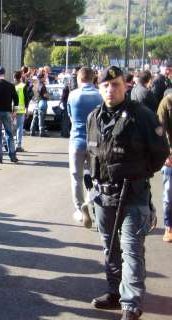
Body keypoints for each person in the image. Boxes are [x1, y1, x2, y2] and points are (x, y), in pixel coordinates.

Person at [86, 66, 168, 320]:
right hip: (103, 195)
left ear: (126, 86)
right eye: (106, 86)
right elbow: (91, 155)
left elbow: (160, 153)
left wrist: (138, 175)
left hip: (133, 194)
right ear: (99, 89)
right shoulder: (94, 117)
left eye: (116, 85)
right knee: (109, 247)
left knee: (131, 249)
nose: (111, 89)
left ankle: (131, 304)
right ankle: (113, 292)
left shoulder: (142, 116)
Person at [67, 67, 103, 229]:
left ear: (79, 79)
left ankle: (80, 208)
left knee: (76, 177)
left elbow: (70, 116)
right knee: (96, 177)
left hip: (77, 140)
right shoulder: (100, 95)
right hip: (96, 142)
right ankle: (93, 204)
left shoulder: (73, 95)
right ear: (93, 78)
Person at [157, 93, 172, 242]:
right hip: (171, 157)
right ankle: (169, 227)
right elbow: (160, 130)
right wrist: (166, 154)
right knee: (169, 194)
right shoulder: (167, 101)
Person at [13, 71, 30, 152]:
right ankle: (18, 145)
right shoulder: (23, 86)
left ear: (14, 77)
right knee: (19, 127)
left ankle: (8, 144)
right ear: (20, 77)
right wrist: (27, 110)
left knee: (11, 127)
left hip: (12, 110)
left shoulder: (12, 86)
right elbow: (26, 99)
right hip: (21, 109)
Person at [30, 73, 50, 137]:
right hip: (42, 102)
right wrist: (48, 97)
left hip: (36, 102)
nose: (45, 78)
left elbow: (33, 94)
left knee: (35, 117)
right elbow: (45, 95)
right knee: (41, 118)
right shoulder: (42, 85)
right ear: (41, 78)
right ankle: (41, 132)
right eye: (44, 77)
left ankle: (32, 131)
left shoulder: (35, 85)